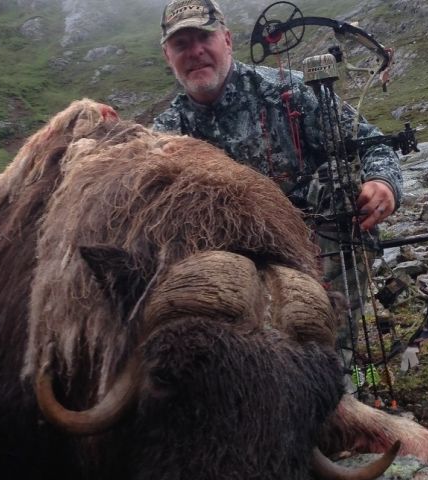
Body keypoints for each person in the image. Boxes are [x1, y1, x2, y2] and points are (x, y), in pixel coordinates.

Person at [153, 0, 404, 393]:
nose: (195, 51)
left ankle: (344, 369)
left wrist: (383, 184)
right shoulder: (165, 133)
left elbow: (372, 145)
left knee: (341, 189)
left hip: (314, 249)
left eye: (203, 37)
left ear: (227, 40)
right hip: (226, 263)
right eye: (181, 43)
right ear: (169, 56)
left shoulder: (286, 91)